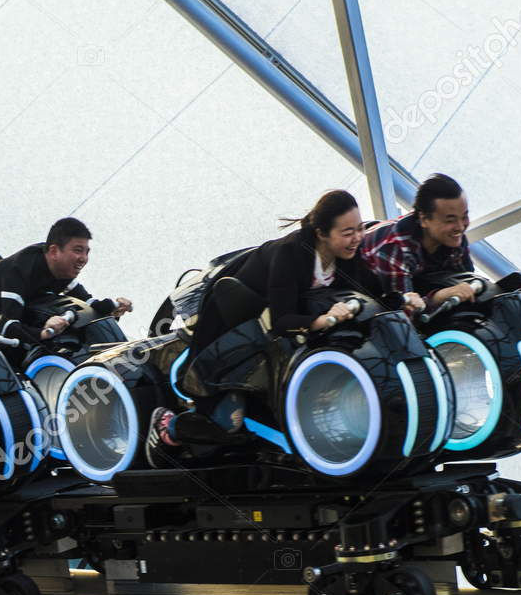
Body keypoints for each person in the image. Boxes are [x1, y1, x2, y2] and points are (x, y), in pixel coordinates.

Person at [145, 190, 395, 466]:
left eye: (360, 229)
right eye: (348, 232)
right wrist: (321, 321)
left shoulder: (347, 255)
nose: (358, 238)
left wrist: (405, 301)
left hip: (273, 343)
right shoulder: (291, 252)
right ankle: (168, 426)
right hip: (231, 336)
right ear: (322, 233)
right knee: (227, 423)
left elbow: (373, 292)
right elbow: (282, 320)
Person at [360, 173, 521, 307]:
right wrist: (439, 296)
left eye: (464, 216)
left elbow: (466, 285)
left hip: (414, 283)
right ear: (424, 219)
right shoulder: (394, 249)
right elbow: (404, 314)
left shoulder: (452, 238)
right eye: (450, 220)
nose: (460, 227)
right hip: (364, 291)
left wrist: (512, 288)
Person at [0, 217, 132, 347]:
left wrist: (114, 307)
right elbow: (6, 326)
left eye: (86, 252)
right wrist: (42, 333)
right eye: (78, 250)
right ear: (54, 251)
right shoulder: (19, 271)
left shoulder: (60, 269)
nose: (84, 259)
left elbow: (89, 303)